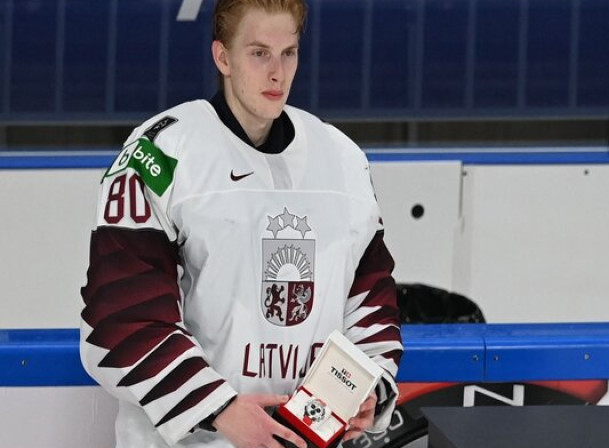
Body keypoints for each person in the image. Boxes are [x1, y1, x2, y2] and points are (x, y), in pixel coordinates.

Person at [79, 0, 403, 446]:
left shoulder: (342, 158)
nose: (277, 73)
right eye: (258, 52)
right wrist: (222, 410)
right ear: (223, 57)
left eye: (288, 52)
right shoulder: (161, 153)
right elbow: (122, 313)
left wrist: (366, 383)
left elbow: (370, 296)